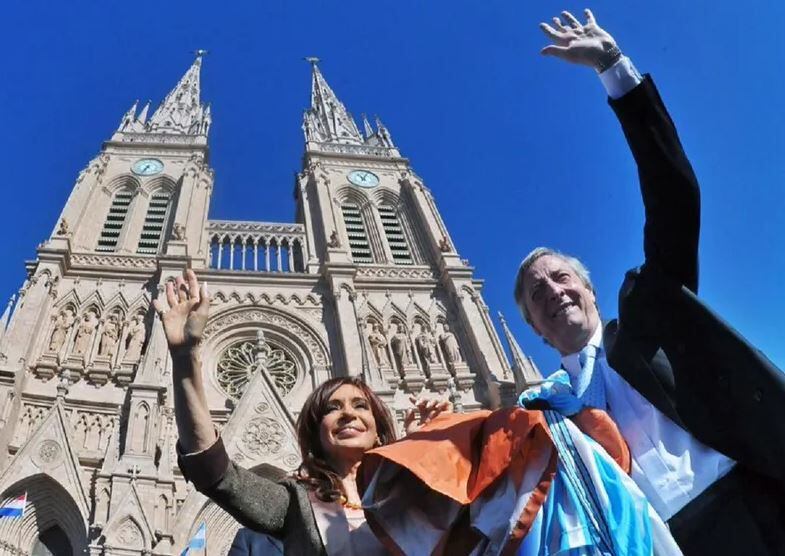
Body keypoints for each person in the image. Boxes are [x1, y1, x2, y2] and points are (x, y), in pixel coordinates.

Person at [514, 9, 785, 554]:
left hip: (756, 502)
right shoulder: (542, 411)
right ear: (537, 332)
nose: (553, 292)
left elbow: (674, 196)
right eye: (537, 296)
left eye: (561, 278)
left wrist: (613, 69)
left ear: (589, 290)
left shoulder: (649, 316)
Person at [153, 268, 450, 555]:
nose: (348, 413)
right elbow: (215, 472)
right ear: (315, 431)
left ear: (379, 426)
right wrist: (184, 357)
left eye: (360, 405)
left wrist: (428, 446)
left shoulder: (408, 487)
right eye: (332, 408)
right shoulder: (297, 502)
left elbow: (477, 513)